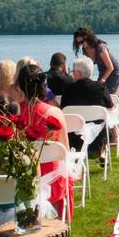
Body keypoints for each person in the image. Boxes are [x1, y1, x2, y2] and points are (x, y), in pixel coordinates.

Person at [16, 64, 72, 215]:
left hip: (23, 178)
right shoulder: (55, 112)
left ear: (20, 86)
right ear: (43, 86)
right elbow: (65, 149)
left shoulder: (13, 112)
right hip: (52, 179)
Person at [61, 56, 114, 159]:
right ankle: (102, 151)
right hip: (97, 140)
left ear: (78, 73)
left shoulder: (68, 89)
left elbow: (63, 109)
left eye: (73, 71)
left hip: (74, 139)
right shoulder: (100, 87)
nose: (72, 73)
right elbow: (110, 106)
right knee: (107, 121)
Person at [74, 27, 119, 94]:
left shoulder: (100, 47)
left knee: (105, 93)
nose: (81, 44)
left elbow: (110, 68)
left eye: (82, 42)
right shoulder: (85, 49)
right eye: (78, 43)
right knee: (96, 92)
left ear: (87, 37)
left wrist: (101, 81)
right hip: (102, 71)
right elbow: (88, 66)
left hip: (114, 71)